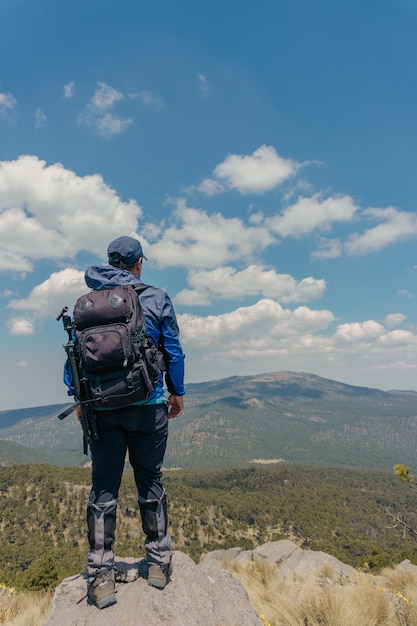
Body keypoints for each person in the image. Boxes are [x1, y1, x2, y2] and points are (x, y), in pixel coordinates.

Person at [73, 236, 185, 609]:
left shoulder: (90, 304)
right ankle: (157, 563)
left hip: (101, 409)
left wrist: (80, 399)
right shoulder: (156, 298)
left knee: (103, 489)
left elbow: (75, 357)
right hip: (149, 407)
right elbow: (173, 349)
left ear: (109, 262)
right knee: (150, 481)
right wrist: (176, 392)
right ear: (138, 264)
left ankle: (101, 576)